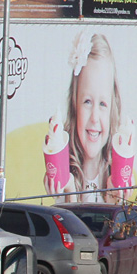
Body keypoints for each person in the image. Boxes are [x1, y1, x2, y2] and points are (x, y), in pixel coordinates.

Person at [44, 32, 123, 203]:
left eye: (102, 104)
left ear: (112, 109)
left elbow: (117, 230)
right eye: (87, 101)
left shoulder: (117, 177)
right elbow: (71, 229)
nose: (94, 117)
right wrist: (69, 192)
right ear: (74, 105)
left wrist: (115, 201)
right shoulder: (64, 173)